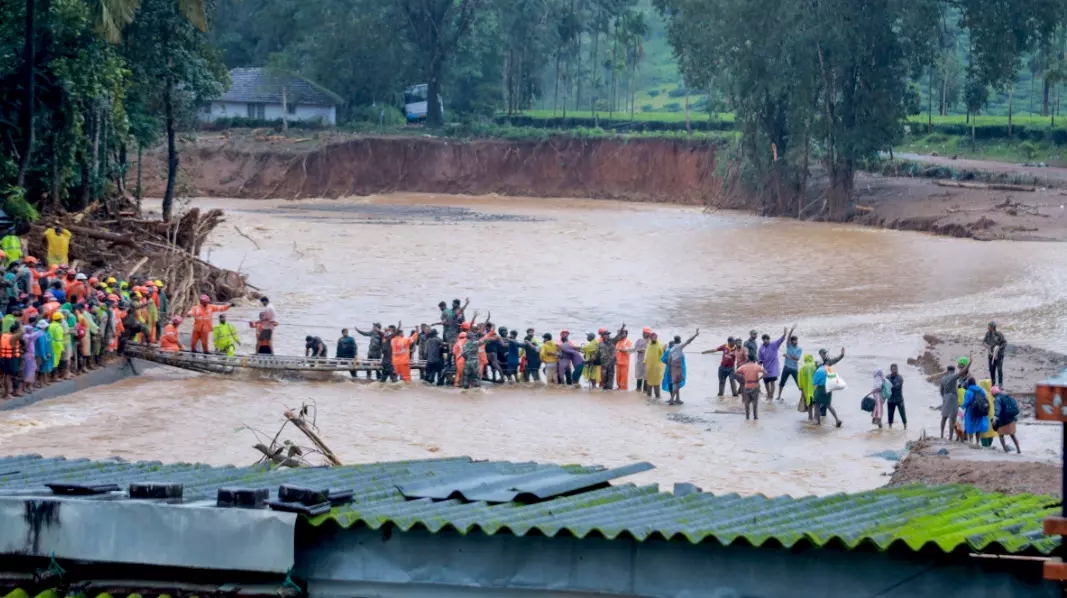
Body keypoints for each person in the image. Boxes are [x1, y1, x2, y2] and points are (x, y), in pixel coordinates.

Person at [757, 326, 793, 401]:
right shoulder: (761, 348)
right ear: (763, 340)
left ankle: (771, 396)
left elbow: (781, 340)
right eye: (765, 339)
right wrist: (759, 367)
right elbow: (760, 359)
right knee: (766, 381)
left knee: (772, 382)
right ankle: (768, 394)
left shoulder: (773, 344)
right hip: (765, 367)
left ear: (769, 340)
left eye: (768, 339)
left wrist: (784, 334)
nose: (766, 341)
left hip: (773, 367)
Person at [664, 329, 698, 404]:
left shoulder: (671, 349)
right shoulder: (679, 347)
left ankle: (677, 399)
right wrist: (695, 335)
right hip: (678, 367)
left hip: (673, 367)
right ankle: (672, 400)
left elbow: (669, 359)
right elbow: (688, 341)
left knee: (677, 383)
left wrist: (669, 369)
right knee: (676, 385)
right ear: (679, 341)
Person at [812, 354, 843, 427]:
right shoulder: (829, 368)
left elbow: (814, 383)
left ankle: (819, 422)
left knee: (817, 404)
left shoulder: (818, 371)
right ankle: (837, 420)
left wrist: (814, 392)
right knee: (828, 405)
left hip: (821, 388)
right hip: (829, 388)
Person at [939, 363, 967, 440]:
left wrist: (944, 397)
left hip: (945, 398)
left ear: (947, 370)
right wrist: (969, 364)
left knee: (944, 418)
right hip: (953, 399)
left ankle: (941, 434)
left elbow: (941, 391)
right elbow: (962, 373)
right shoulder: (953, 376)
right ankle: (950, 437)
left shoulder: (943, 378)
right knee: (952, 419)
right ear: (953, 371)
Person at [991, 386, 1021, 454]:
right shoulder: (1006, 396)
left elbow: (997, 409)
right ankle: (1018, 450)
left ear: (993, 394)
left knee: (1001, 435)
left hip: (1003, 420)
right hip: (1011, 418)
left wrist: (995, 418)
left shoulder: (997, 399)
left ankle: (1005, 450)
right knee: (1012, 435)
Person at [596, 325, 627, 390]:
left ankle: (609, 389)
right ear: (602, 336)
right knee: (604, 376)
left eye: (608, 334)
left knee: (610, 376)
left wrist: (622, 328)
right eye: (605, 334)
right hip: (604, 363)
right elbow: (597, 354)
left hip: (611, 363)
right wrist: (590, 360)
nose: (607, 335)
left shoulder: (613, 341)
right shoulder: (600, 344)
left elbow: (618, 336)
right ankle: (604, 389)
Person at [962, 378, 990, 445]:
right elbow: (985, 399)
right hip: (980, 410)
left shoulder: (968, 391)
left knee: (970, 425)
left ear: (969, 384)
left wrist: (962, 407)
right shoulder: (981, 390)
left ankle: (971, 441)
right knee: (978, 426)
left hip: (970, 411)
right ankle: (977, 442)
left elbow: (966, 402)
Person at [1, 321, 23, 398]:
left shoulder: (4, 335)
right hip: (11, 359)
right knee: (9, 376)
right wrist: (20, 324)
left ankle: (7, 393)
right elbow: (22, 333)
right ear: (15, 331)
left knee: (6, 376)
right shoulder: (13, 337)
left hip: (4, 358)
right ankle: (8, 394)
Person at [777, 334, 803, 400]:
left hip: (794, 368)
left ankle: (803, 397)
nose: (796, 341)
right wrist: (791, 330)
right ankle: (779, 396)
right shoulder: (789, 346)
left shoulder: (799, 349)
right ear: (791, 342)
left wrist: (788, 356)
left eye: (796, 340)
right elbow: (788, 339)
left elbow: (797, 358)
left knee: (799, 383)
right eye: (794, 340)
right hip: (786, 367)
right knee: (782, 382)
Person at [643, 332, 666, 400]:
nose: (654, 338)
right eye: (652, 337)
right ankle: (649, 396)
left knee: (656, 383)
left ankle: (657, 397)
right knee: (649, 382)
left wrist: (664, 350)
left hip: (657, 367)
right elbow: (646, 354)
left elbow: (663, 356)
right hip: (649, 367)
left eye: (655, 337)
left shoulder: (660, 345)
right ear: (650, 338)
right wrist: (644, 361)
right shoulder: (648, 345)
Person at [984, 321, 1006, 387]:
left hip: (999, 355)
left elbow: (1004, 343)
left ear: (992, 327)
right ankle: (993, 384)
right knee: (991, 369)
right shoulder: (987, 334)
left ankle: (1000, 384)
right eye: (988, 326)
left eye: (989, 326)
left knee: (999, 369)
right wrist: (986, 345)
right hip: (990, 355)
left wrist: (999, 347)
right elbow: (984, 341)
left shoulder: (999, 334)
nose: (988, 327)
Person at [886, 363, 906, 430]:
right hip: (890, 400)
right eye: (893, 369)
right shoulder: (887, 377)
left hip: (899, 400)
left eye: (896, 369)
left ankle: (905, 427)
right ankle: (890, 428)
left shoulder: (900, 378)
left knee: (903, 415)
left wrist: (888, 386)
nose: (895, 370)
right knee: (890, 416)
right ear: (891, 370)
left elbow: (895, 387)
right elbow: (884, 387)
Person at [797, 354, 817, 418]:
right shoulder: (815, 366)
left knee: (809, 403)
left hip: (806, 389)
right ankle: (816, 417)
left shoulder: (803, 367)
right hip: (815, 388)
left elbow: (799, 378)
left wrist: (800, 387)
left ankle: (810, 417)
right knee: (816, 404)